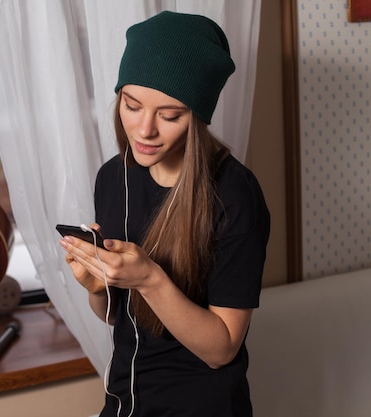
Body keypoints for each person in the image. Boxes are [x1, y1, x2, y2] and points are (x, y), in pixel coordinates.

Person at [59, 11, 270, 417]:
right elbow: (115, 317)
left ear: (198, 116)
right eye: (132, 105)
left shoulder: (234, 195)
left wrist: (151, 278)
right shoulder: (112, 177)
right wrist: (96, 286)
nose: (144, 130)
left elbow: (222, 349)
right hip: (123, 405)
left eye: (170, 115)